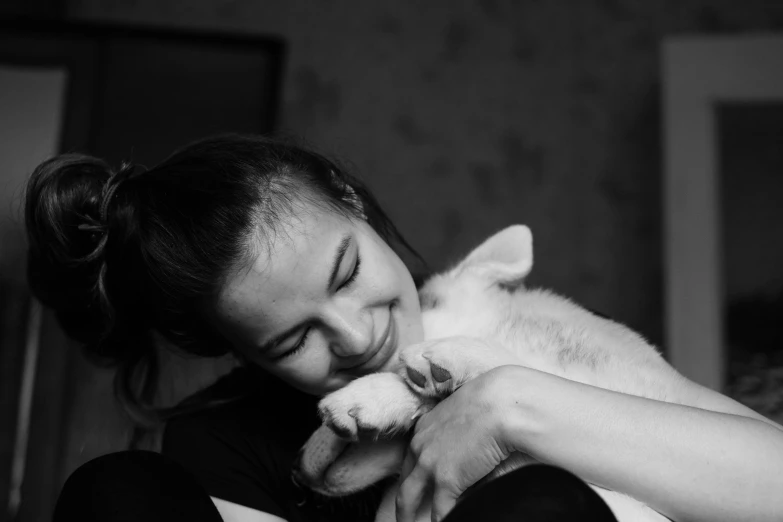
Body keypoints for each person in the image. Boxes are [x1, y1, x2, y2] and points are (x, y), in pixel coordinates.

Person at [25, 134, 783, 522]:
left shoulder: (510, 319)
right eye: (293, 340)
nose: (356, 338)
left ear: (352, 201)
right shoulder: (220, 442)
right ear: (237, 349)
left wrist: (504, 404)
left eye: (348, 274)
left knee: (538, 505)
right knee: (114, 494)